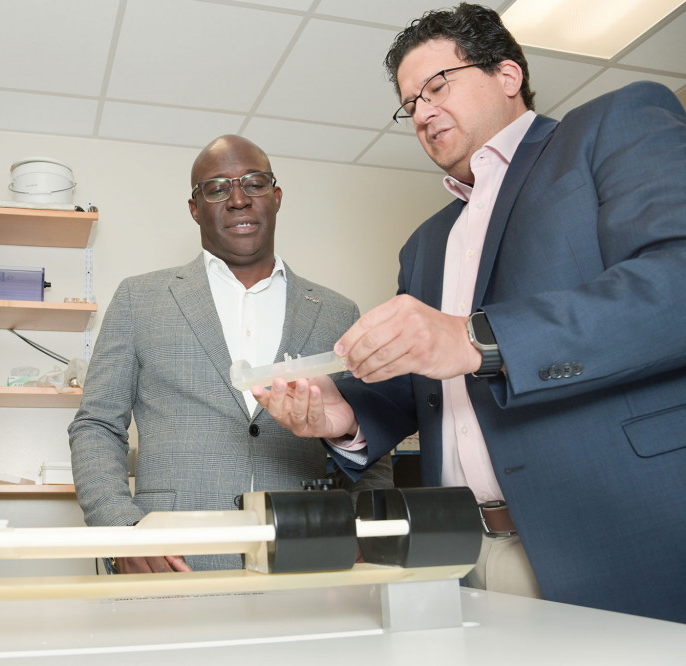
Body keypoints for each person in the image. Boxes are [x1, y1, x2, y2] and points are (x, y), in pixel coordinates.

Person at [255, 3, 686, 624]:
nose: (423, 113)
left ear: (507, 75)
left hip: (620, 534)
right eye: (410, 104)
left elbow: (673, 283)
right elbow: (425, 389)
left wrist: (476, 339)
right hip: (461, 550)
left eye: (438, 86)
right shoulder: (427, 243)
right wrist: (344, 415)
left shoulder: (612, 125)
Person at [69, 135, 393, 574]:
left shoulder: (338, 312)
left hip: (308, 559)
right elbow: (95, 425)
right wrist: (121, 530)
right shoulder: (139, 298)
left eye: (254, 184)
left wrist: (363, 529)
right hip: (173, 560)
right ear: (194, 207)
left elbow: (371, 438)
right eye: (218, 188)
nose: (238, 199)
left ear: (276, 198)